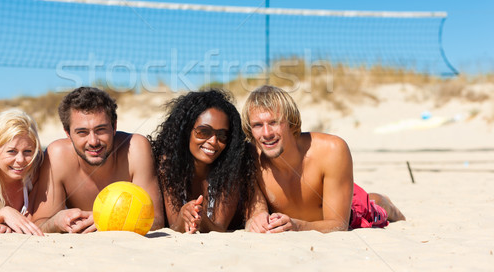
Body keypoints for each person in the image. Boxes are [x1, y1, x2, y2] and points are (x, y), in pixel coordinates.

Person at [242, 85, 405, 233]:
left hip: (348, 208)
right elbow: (257, 207)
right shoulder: (250, 158)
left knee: (376, 204)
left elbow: (339, 224)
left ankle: (389, 204)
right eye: (257, 125)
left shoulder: (331, 149)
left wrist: (298, 226)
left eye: (274, 122)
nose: (266, 133)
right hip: (306, 212)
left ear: (291, 122)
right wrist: (258, 217)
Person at [31, 86, 164, 233]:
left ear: (114, 127)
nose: (93, 141)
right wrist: (56, 221)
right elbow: (39, 224)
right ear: (67, 133)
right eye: (82, 132)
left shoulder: (135, 148)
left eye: (101, 130)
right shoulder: (57, 155)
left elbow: (156, 220)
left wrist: (108, 219)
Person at [151, 89, 261, 233]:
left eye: (222, 135)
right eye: (204, 132)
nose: (213, 141)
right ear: (186, 131)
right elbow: (174, 227)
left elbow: (220, 228)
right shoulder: (168, 164)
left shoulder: (232, 165)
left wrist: (201, 218)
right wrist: (184, 215)